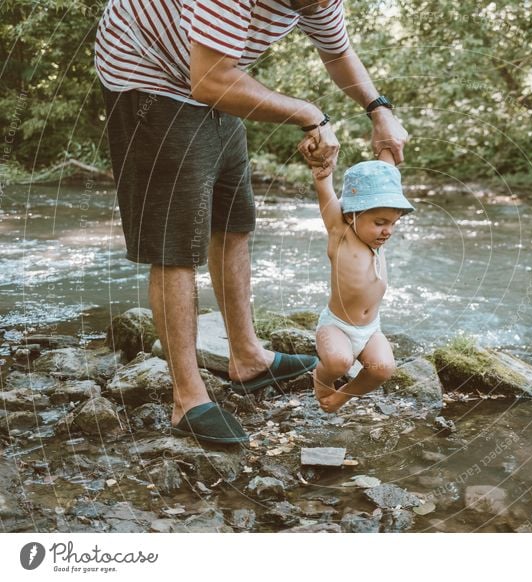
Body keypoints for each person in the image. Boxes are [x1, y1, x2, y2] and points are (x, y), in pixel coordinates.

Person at [94, 0, 409, 444]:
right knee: (175, 245)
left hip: (212, 70)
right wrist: (310, 115)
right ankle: (188, 398)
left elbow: (336, 52)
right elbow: (209, 80)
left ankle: (248, 357)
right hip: (150, 78)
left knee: (233, 220)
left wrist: (379, 109)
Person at [311, 150, 414, 413]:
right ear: (350, 215)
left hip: (370, 330)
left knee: (383, 369)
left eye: (393, 223)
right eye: (380, 223)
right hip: (337, 325)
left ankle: (344, 395)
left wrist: (389, 146)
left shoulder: (377, 241)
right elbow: (327, 194)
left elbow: (384, 170)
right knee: (338, 362)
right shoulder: (341, 234)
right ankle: (321, 378)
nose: (388, 231)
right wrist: (323, 174)